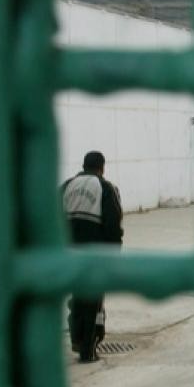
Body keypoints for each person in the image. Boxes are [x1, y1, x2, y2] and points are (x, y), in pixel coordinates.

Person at [61, 151, 124, 363]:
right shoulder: (105, 188)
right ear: (102, 168)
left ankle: (77, 338)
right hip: (95, 255)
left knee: (78, 296)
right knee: (94, 302)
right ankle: (88, 350)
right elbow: (113, 225)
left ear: (83, 165)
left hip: (69, 253)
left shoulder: (66, 186)